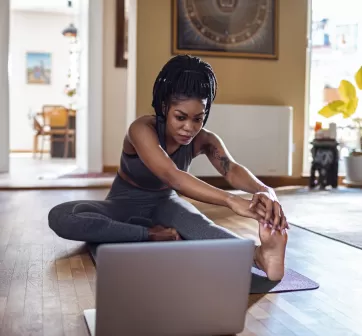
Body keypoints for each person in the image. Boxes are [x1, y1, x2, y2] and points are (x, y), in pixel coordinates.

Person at [48, 55, 288, 281]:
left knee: (201, 227)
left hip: (166, 205)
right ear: (164, 107)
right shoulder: (141, 130)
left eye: (198, 118)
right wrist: (231, 200)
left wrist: (265, 189)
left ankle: (260, 256)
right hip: (122, 205)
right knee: (61, 216)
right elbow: (173, 175)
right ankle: (150, 234)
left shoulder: (205, 140)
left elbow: (231, 169)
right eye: (180, 117)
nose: (189, 128)